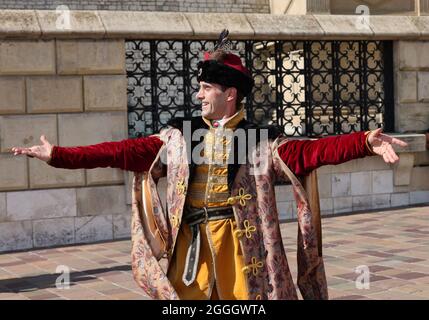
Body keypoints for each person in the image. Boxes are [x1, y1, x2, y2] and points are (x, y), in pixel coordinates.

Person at [11, 30, 407, 300]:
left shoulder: (259, 141)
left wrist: (363, 141)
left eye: (205, 89)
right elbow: (121, 151)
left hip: (241, 244)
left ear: (229, 94)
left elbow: (310, 153)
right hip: (191, 246)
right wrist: (60, 156)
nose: (197, 95)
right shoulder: (179, 136)